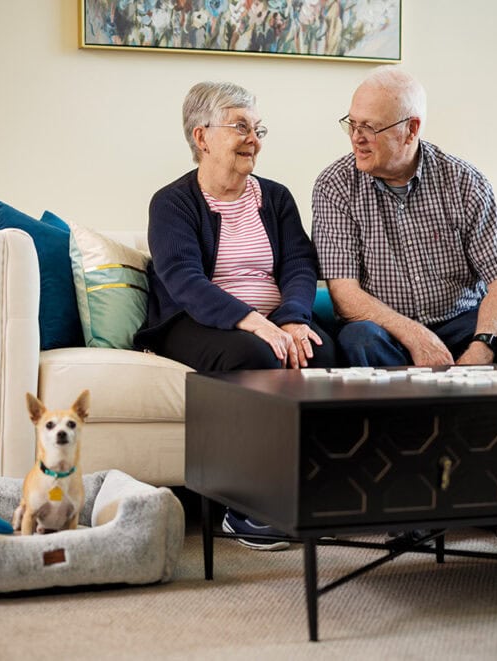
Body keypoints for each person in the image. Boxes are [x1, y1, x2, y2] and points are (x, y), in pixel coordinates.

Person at [311, 66, 497, 543]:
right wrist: (414, 334)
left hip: (464, 321)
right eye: (352, 123)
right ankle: (408, 500)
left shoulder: (464, 182)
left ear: (412, 129)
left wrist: (484, 344)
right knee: (359, 340)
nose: (357, 138)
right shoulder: (334, 186)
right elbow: (344, 293)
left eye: (371, 127)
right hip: (385, 328)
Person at [135, 81, 335, 551]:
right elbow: (185, 280)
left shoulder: (277, 198)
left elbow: (300, 265)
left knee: (334, 349)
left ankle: (324, 494)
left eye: (258, 128)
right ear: (201, 137)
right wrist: (254, 321)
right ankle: (244, 509)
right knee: (253, 353)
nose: (254, 139)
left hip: (271, 320)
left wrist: (292, 318)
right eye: (240, 127)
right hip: (196, 321)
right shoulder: (173, 202)